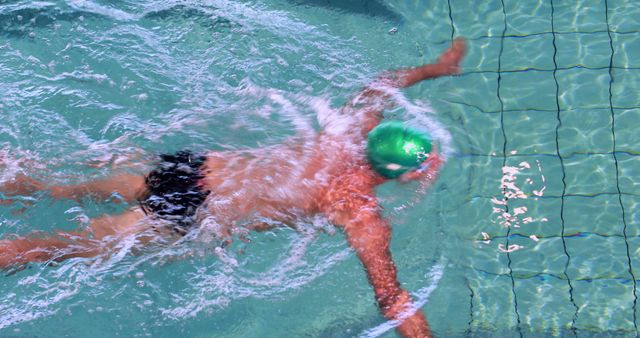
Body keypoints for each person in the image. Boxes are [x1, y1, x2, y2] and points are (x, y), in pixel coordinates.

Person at [0, 38, 466, 338]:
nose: (432, 166)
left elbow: (381, 86)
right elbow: (393, 298)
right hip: (191, 213)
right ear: (397, 172)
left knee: (58, 187)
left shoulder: (350, 130)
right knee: (60, 247)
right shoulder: (356, 205)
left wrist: (435, 68)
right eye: (423, 163)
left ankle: (14, 177)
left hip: (191, 168)